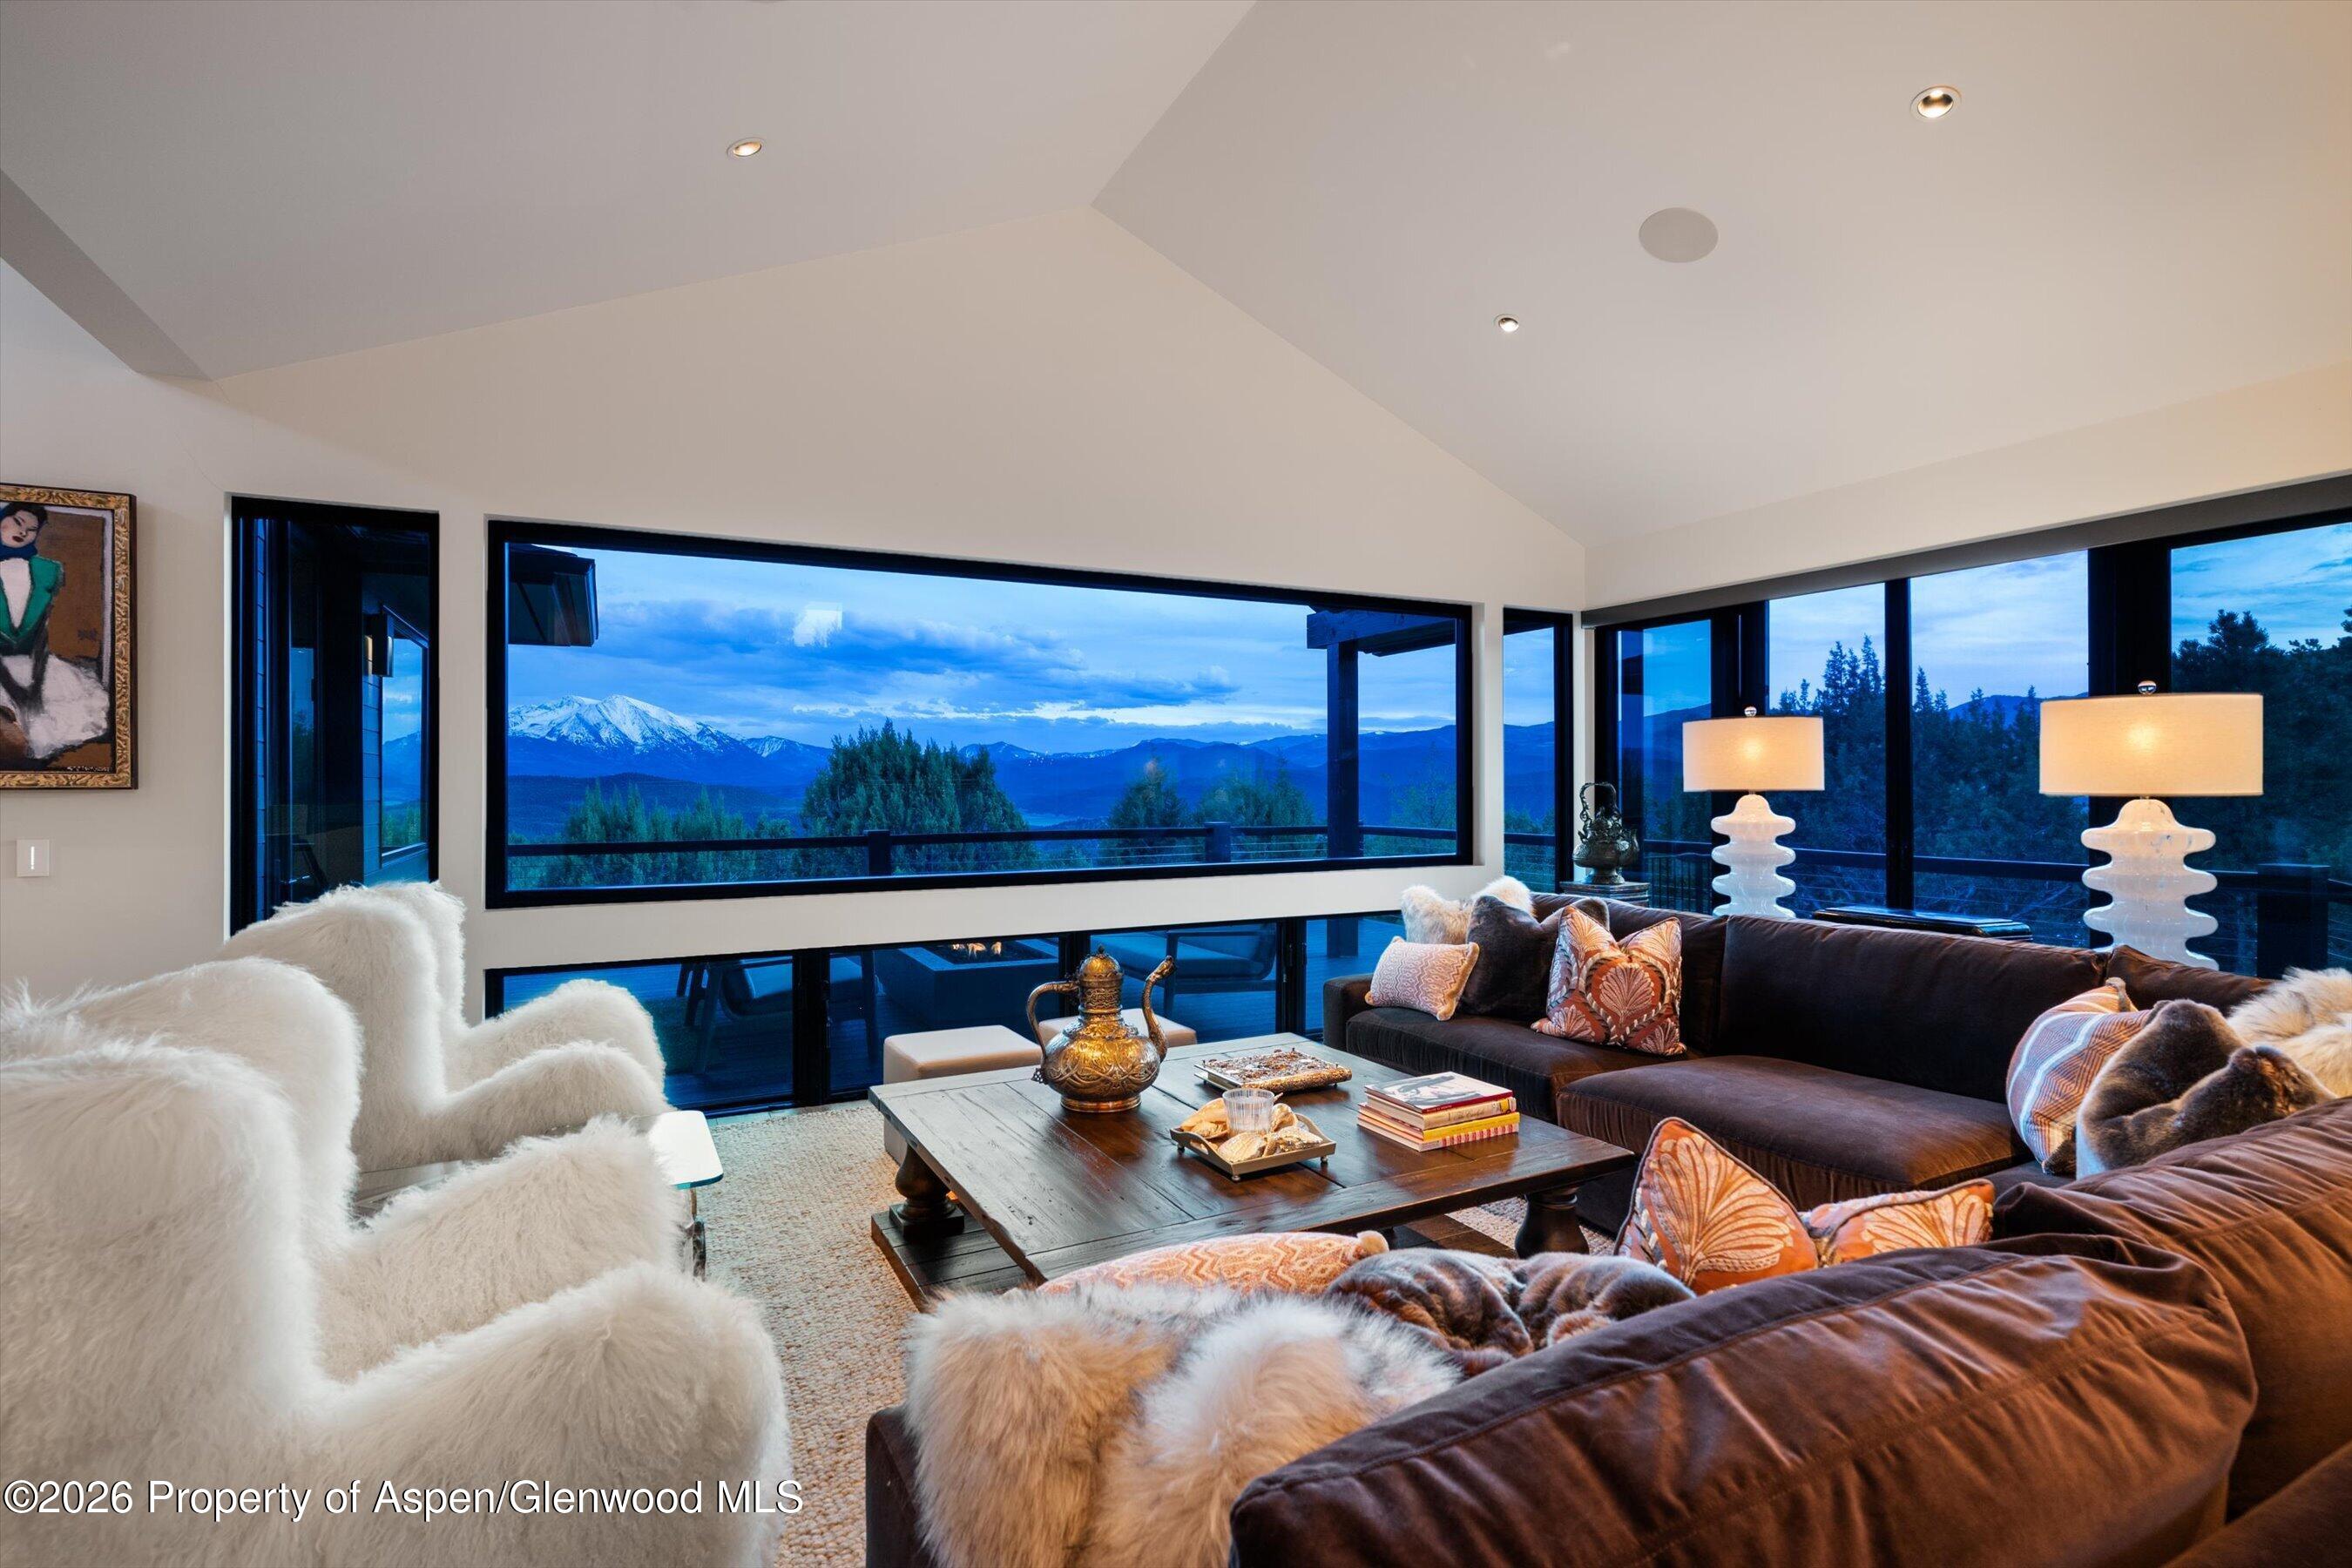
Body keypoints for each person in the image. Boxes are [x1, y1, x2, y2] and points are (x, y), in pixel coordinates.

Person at [0, 501, 59, 709]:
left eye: (32, 529)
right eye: (18, 522)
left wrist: (34, 688)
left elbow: (45, 632)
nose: (23, 532)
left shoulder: (49, 572)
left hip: (34, 670)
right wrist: (14, 689)